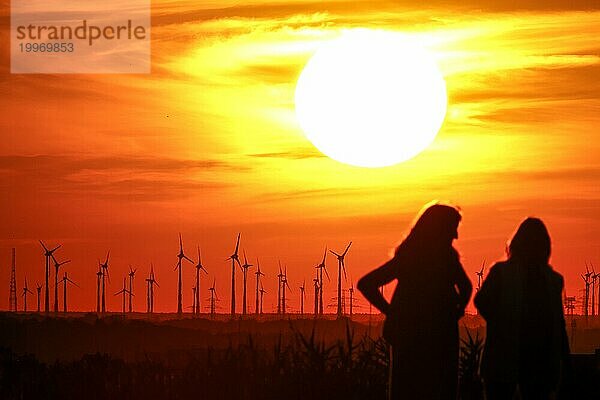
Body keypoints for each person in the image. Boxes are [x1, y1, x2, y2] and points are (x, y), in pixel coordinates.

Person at [357, 203, 472, 399]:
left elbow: (367, 284)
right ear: (440, 228)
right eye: (453, 228)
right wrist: (457, 310)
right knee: (438, 388)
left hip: (409, 333)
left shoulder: (410, 257)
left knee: (407, 388)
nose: (456, 236)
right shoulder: (443, 258)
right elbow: (466, 287)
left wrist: (392, 312)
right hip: (436, 335)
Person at [474, 218, 570, 400]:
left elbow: (481, 301)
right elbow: (559, 325)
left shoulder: (551, 279)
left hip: (527, 359)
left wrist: (500, 324)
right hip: (527, 358)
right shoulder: (551, 279)